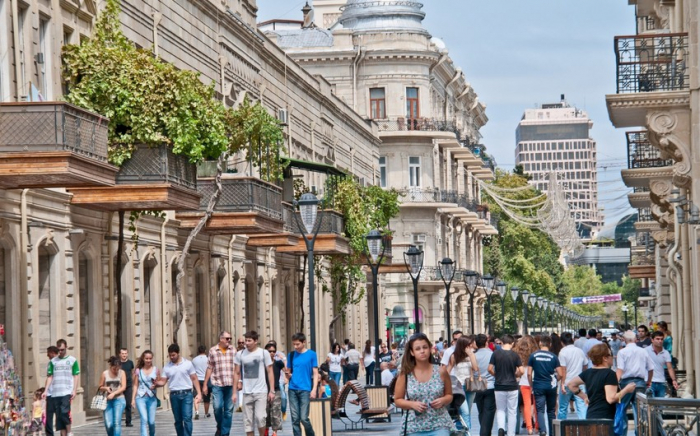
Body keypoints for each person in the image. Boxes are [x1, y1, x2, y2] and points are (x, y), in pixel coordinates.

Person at [394, 333, 455, 436]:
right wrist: (412, 404)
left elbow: (449, 395)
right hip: (413, 426)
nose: (422, 351)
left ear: (430, 349)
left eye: (425, 347)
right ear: (412, 352)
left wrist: (443, 400)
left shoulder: (441, 371)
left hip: (439, 424)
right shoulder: (405, 374)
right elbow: (397, 400)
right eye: (417, 349)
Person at [566, 344, 636, 420]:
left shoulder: (587, 372)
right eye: (611, 354)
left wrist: (584, 396)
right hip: (605, 417)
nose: (612, 357)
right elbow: (611, 399)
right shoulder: (609, 374)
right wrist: (626, 390)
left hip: (591, 415)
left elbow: (571, 384)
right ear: (605, 358)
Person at [233, 331, 276, 436]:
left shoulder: (263, 353)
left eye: (249, 341)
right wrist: (234, 392)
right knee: (248, 421)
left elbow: (270, 371)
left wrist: (272, 390)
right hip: (246, 392)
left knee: (260, 417)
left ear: (256, 341)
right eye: (245, 341)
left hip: (261, 391)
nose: (246, 343)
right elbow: (236, 372)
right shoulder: (240, 354)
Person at [156, 343, 202, 436]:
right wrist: (156, 384)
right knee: (178, 420)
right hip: (174, 395)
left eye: (173, 355)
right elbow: (163, 381)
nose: (171, 357)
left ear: (178, 353)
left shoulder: (187, 364)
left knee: (187, 418)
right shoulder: (167, 367)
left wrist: (199, 393)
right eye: (170, 355)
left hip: (187, 394)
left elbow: (194, 378)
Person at [616, 330, 654, 436]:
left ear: (624, 340)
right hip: (640, 383)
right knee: (640, 411)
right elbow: (651, 368)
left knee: (622, 409)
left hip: (625, 383)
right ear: (635, 340)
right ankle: (640, 433)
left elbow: (620, 369)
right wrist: (648, 381)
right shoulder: (643, 351)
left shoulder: (622, 352)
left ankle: (622, 433)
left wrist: (615, 383)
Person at [43, 339, 79, 436]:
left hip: (66, 391)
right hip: (55, 392)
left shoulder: (72, 360)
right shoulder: (53, 362)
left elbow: (76, 376)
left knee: (64, 411)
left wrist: (74, 390)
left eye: (62, 349)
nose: (60, 352)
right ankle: (63, 433)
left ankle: (69, 431)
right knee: (59, 416)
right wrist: (45, 390)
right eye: (59, 350)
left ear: (66, 347)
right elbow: (50, 377)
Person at [528, 335, 563, 436]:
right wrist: (555, 380)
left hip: (538, 385)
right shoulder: (554, 357)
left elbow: (529, 373)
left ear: (540, 343)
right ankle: (552, 432)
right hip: (551, 386)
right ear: (550, 344)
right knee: (551, 411)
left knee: (540, 410)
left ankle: (542, 430)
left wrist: (531, 385)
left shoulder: (533, 356)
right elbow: (560, 373)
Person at [489, 335, 523, 436]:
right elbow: (522, 370)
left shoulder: (495, 354)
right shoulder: (515, 355)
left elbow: (489, 369)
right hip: (512, 386)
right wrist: (516, 375)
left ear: (502, 342)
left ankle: (501, 428)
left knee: (500, 409)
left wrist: (496, 375)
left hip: (499, 386)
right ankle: (511, 433)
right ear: (512, 343)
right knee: (512, 411)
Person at [285, 332, 318, 436]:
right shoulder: (291, 355)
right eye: (294, 344)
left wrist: (314, 389)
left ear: (304, 342)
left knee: (304, 418)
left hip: (305, 389)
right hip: (292, 389)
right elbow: (288, 371)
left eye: (297, 344)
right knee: (295, 419)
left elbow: (315, 373)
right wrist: (288, 375)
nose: (295, 347)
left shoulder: (312, 354)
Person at [203, 331, 236, 436]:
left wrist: (239, 381)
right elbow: (209, 367)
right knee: (217, 407)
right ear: (221, 339)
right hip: (217, 384)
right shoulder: (213, 351)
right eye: (227, 338)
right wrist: (204, 384)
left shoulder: (233, 350)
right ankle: (220, 426)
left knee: (228, 411)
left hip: (231, 384)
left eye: (230, 338)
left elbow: (238, 368)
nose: (229, 340)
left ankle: (224, 433)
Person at [446, 336, 478, 431]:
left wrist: (471, 355)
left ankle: (463, 430)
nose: (470, 346)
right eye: (469, 344)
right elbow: (448, 370)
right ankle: (466, 432)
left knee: (468, 411)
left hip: (470, 385)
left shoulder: (472, 355)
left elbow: (475, 368)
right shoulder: (454, 356)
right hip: (458, 387)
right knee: (465, 411)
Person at [557, 332, 587, 420]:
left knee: (563, 407)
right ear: (572, 340)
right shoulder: (579, 351)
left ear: (562, 342)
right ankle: (583, 427)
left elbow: (563, 369)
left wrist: (562, 384)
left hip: (567, 382)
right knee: (581, 406)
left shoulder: (562, 352)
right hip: (579, 382)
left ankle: (561, 428)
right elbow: (585, 365)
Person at [513, 335, 539, 435]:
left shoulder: (518, 354)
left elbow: (518, 370)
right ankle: (537, 426)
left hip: (524, 382)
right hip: (536, 381)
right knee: (537, 405)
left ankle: (529, 427)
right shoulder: (536, 353)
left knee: (526, 405)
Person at [132, 350, 159, 436]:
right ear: (143, 359)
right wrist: (133, 399)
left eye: (150, 358)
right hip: (140, 397)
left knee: (151, 422)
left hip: (152, 398)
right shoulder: (138, 371)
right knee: (144, 419)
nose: (148, 360)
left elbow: (159, 382)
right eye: (146, 358)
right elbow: (135, 385)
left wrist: (156, 385)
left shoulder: (156, 370)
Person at [98, 356, 127, 436]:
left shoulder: (122, 373)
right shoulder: (105, 373)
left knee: (117, 423)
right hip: (107, 401)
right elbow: (100, 387)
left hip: (119, 399)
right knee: (108, 424)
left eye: (118, 369)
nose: (116, 371)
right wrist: (106, 388)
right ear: (110, 366)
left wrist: (114, 393)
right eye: (114, 369)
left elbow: (124, 387)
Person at [474, 334, 496, 436]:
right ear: (486, 342)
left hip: (478, 384)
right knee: (489, 411)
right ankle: (485, 432)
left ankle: (484, 431)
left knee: (481, 410)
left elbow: (473, 371)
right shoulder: (492, 354)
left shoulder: (474, 355)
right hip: (490, 385)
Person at [646, 331, 679, 398]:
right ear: (652, 340)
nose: (660, 341)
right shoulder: (645, 351)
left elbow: (670, 368)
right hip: (649, 382)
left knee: (660, 405)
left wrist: (674, 380)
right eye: (657, 339)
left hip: (661, 382)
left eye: (661, 339)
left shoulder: (666, 353)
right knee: (650, 404)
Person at [265, 343, 285, 436]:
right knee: (265, 412)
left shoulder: (278, 363)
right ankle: (265, 432)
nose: (272, 353)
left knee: (275, 411)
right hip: (264, 391)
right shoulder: (262, 364)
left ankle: (274, 433)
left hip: (276, 390)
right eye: (270, 351)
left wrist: (283, 359)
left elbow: (287, 369)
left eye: (273, 351)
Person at [191, 345, 210, 419]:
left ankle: (197, 411)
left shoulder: (194, 360)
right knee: (206, 397)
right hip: (206, 380)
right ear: (205, 351)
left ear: (198, 351)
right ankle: (206, 413)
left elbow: (192, 371)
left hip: (197, 380)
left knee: (196, 396)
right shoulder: (208, 359)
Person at [43, 345, 59, 436]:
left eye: (48, 353)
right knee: (49, 417)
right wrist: (46, 391)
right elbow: (48, 377)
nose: (47, 355)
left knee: (60, 416)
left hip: (58, 393)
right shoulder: (50, 363)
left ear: (52, 353)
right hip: (50, 394)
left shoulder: (58, 362)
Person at [118, 348, 135, 428]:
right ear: (120, 354)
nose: (124, 355)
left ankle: (128, 421)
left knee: (128, 404)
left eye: (125, 353)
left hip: (128, 385)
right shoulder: (117, 363)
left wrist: (133, 383)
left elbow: (132, 373)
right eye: (122, 353)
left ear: (127, 354)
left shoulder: (130, 363)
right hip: (119, 386)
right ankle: (117, 420)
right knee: (119, 403)